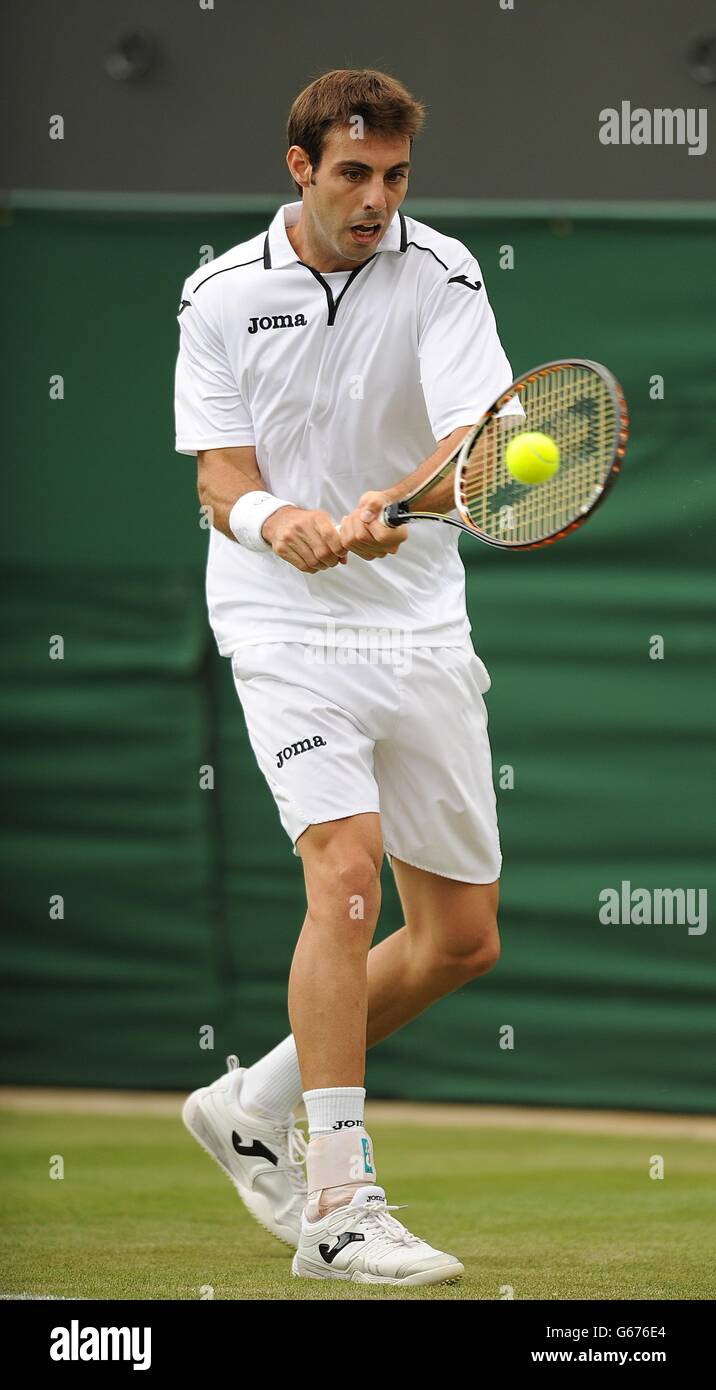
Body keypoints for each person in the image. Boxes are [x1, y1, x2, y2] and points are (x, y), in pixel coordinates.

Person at [176, 67, 515, 1287]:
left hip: (418, 624)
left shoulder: (442, 271)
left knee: (461, 941)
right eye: (353, 175)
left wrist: (396, 502)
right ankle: (335, 1203)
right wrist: (281, 524)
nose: (376, 200)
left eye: (395, 177)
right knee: (343, 866)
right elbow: (218, 476)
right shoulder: (217, 293)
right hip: (283, 624)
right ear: (299, 169)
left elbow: (479, 433)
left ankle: (249, 1102)